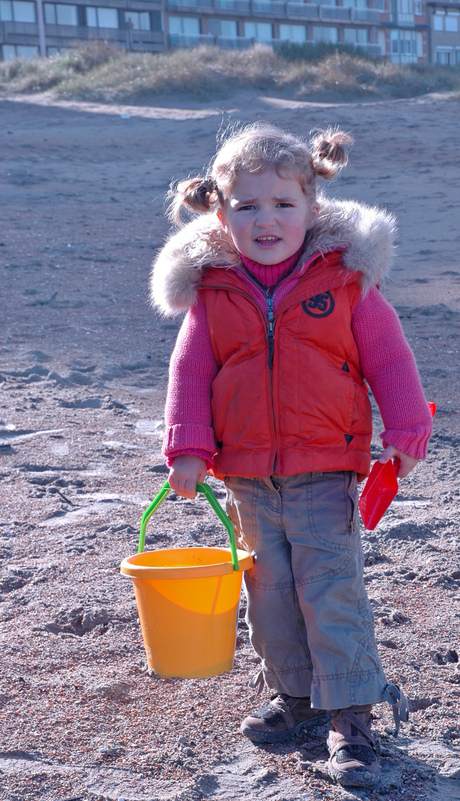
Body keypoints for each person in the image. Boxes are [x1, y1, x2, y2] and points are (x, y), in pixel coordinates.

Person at [150, 122, 433, 789]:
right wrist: (187, 448)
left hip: (325, 471)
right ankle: (298, 696)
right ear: (220, 212)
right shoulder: (215, 291)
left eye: (282, 204)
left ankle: (351, 713)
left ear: (312, 205)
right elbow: (189, 373)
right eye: (246, 206)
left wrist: (406, 428)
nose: (265, 219)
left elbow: (388, 357)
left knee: (329, 591)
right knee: (269, 592)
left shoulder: (345, 282)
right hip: (249, 475)